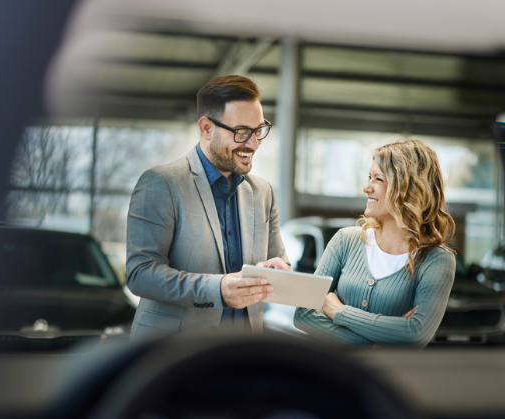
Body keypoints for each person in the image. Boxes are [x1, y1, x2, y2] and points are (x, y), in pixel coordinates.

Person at [126, 75, 290, 341]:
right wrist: (218, 290)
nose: (253, 143)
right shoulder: (162, 183)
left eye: (258, 130)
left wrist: (278, 269)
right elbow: (141, 274)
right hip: (173, 354)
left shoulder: (263, 192)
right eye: (242, 132)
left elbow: (281, 261)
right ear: (206, 128)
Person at [294, 139, 455, 347]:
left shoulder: (437, 260)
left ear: (409, 188)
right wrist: (377, 344)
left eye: (378, 179)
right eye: (369, 177)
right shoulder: (346, 241)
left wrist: (338, 311)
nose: (366, 187)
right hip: (330, 376)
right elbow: (304, 314)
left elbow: (415, 334)